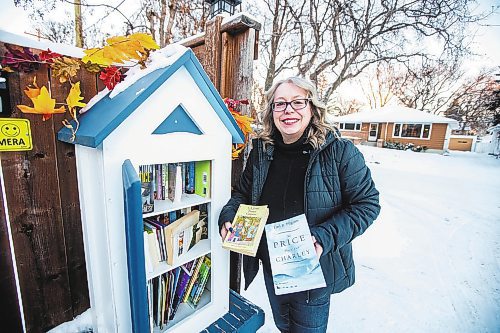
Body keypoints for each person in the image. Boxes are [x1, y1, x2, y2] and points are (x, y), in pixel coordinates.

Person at [218, 77, 380, 333]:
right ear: (271, 111)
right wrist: (228, 217)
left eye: (297, 102)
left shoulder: (339, 151)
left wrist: (322, 237)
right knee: (284, 325)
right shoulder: (262, 151)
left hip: (312, 268)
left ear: (312, 108)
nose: (288, 110)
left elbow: (367, 205)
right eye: (280, 103)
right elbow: (242, 194)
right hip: (273, 263)